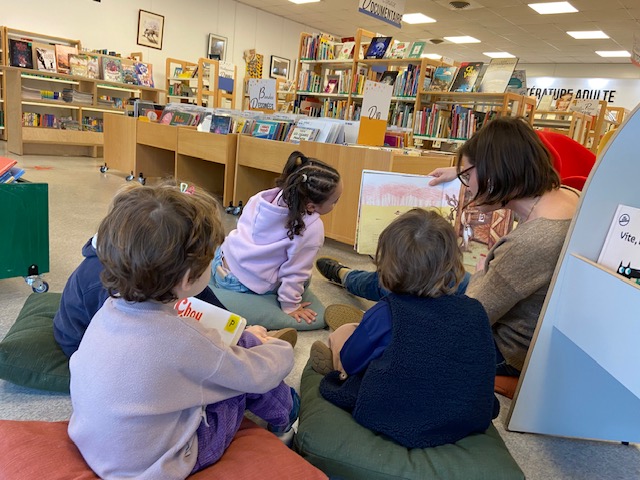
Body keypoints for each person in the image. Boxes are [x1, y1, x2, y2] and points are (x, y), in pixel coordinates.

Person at [316, 116, 579, 376]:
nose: (467, 187)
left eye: (467, 176)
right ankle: (348, 278)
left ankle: (354, 295)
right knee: (423, 272)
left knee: (412, 275)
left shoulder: (527, 244)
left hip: (500, 349)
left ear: (492, 173)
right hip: (526, 325)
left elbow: (470, 318)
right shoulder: (569, 196)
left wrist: (482, 273)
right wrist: (460, 172)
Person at [68, 183, 299, 479]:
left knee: (230, 352)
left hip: (96, 444)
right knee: (245, 374)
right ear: (188, 279)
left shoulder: (108, 311)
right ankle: (287, 416)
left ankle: (252, 341)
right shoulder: (183, 339)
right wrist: (277, 349)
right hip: (159, 464)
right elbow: (255, 375)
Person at [310, 209, 498, 449]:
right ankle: (366, 331)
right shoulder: (475, 310)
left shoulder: (387, 312)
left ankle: (351, 340)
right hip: (464, 415)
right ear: (453, 263)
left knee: (343, 334)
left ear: (386, 266)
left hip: (397, 412)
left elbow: (352, 359)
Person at [53, 181, 296, 358]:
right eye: (209, 260)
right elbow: (129, 348)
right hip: (87, 346)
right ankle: (250, 345)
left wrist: (234, 328)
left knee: (202, 311)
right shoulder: (108, 290)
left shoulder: (144, 263)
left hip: (142, 326)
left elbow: (200, 297)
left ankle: (244, 337)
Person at [212, 150, 342, 325]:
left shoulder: (262, 197)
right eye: (335, 201)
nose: (335, 204)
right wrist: (291, 306)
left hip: (221, 260)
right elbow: (295, 272)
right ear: (311, 206)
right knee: (305, 277)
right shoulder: (312, 228)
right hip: (240, 284)